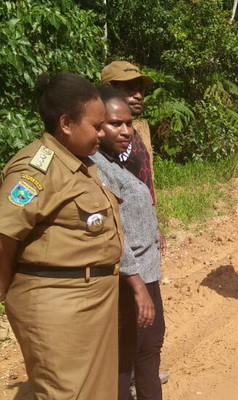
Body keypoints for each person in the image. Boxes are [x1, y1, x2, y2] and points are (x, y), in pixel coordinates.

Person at [0, 73, 122, 399]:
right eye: (96, 126)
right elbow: (4, 233)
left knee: (96, 392)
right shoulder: (36, 169)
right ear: (66, 123)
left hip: (89, 302)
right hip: (57, 305)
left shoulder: (79, 163)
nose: (102, 133)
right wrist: (6, 287)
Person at [92, 87, 165, 400]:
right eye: (114, 123)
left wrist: (154, 228)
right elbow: (112, 231)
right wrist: (137, 286)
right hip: (129, 277)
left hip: (145, 272)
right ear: (96, 125)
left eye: (128, 123)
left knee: (147, 348)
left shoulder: (115, 161)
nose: (125, 130)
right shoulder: (96, 168)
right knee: (127, 357)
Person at [101, 61, 156, 203]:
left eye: (141, 90)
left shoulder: (133, 132)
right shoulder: (102, 136)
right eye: (130, 88)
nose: (138, 96)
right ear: (109, 88)